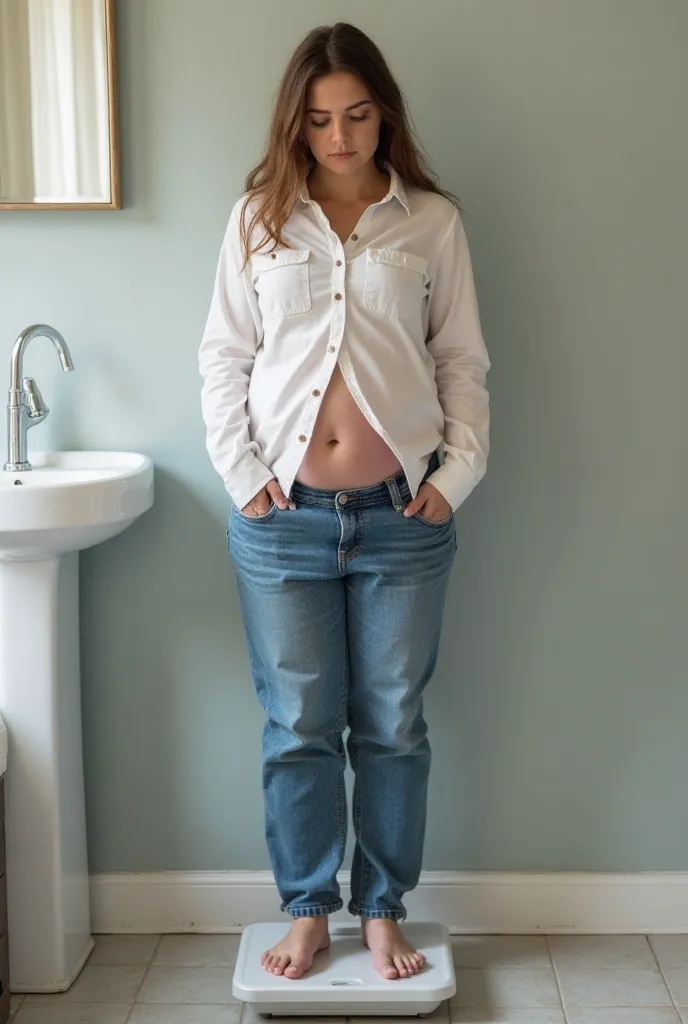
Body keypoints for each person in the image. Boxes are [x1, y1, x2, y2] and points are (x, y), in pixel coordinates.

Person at [199, 21, 490, 983]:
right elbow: (223, 362)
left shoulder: (432, 222)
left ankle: (381, 910)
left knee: (394, 722)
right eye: (320, 119)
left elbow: (462, 363)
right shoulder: (256, 220)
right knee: (298, 724)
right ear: (297, 122)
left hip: (402, 514)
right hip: (281, 523)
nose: (339, 136)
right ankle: (308, 909)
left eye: (357, 115)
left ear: (383, 115)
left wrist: (454, 480)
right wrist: (246, 479)